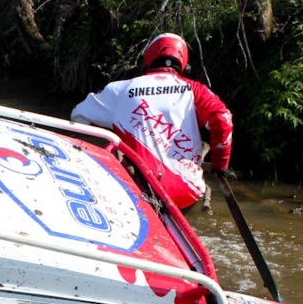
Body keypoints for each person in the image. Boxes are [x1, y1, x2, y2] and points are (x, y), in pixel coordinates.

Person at [71, 33, 233, 210]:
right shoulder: (196, 91)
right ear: (183, 65)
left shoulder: (120, 89)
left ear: (148, 59)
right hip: (186, 192)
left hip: (139, 187)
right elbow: (223, 119)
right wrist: (220, 165)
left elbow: (78, 116)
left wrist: (115, 130)